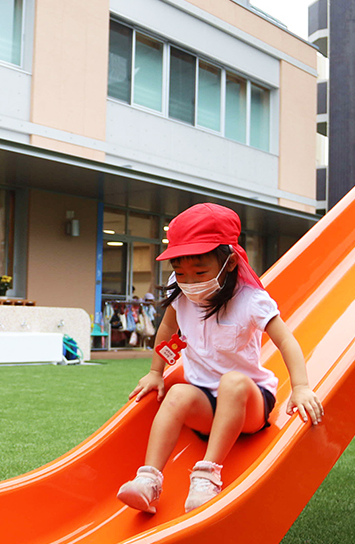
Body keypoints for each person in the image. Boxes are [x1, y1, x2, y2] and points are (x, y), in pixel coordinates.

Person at [117, 203, 324, 513]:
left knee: (233, 382)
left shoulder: (250, 300)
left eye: (200, 271)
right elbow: (167, 328)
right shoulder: (181, 291)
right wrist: (155, 372)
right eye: (180, 272)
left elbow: (286, 340)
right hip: (206, 407)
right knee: (177, 394)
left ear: (228, 262)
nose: (190, 281)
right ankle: (149, 479)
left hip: (249, 404)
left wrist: (301, 386)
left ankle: (207, 475)